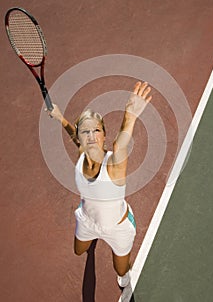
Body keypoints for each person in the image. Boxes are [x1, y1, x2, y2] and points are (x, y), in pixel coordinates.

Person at [48, 81, 152, 288]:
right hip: (88, 220)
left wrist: (129, 116)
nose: (91, 136)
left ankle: (124, 275)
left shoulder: (114, 165)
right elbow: (73, 134)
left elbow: (121, 143)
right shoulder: (81, 152)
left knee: (121, 271)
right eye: (85, 132)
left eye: (96, 130)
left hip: (117, 228)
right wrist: (60, 118)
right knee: (79, 251)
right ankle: (92, 240)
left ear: (104, 136)